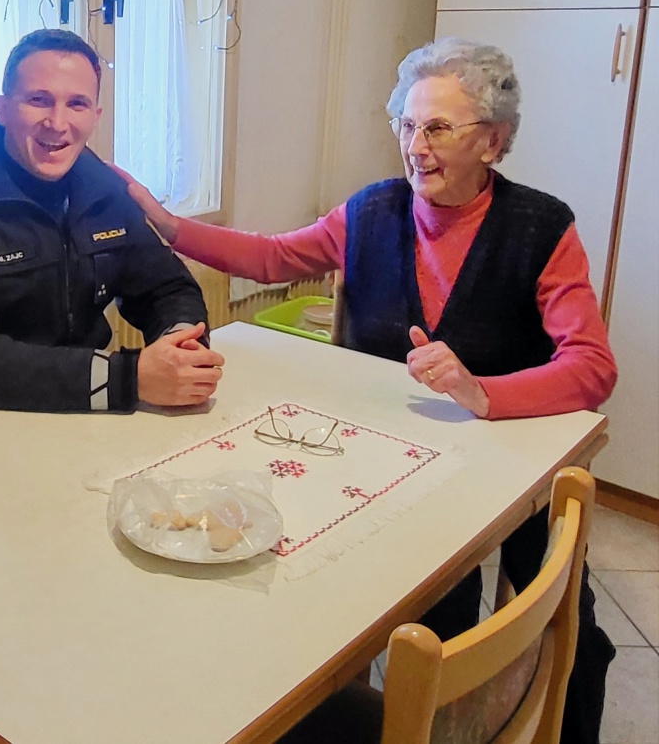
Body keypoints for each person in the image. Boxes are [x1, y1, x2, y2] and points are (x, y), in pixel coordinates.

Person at [119, 37, 616, 744]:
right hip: (382, 459)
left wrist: (485, 393)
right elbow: (275, 255)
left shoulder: (541, 227)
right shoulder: (373, 210)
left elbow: (593, 366)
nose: (417, 146)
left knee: (569, 627)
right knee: (360, 605)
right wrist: (169, 225)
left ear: (495, 142)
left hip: (505, 465)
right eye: (407, 126)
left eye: (439, 128)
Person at [0, 28, 224, 426]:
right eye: (38, 100)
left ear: (96, 116)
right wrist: (128, 378)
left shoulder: (107, 190)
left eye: (77, 104)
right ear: (1, 109)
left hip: (82, 413)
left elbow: (165, 287)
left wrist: (182, 345)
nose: (57, 123)